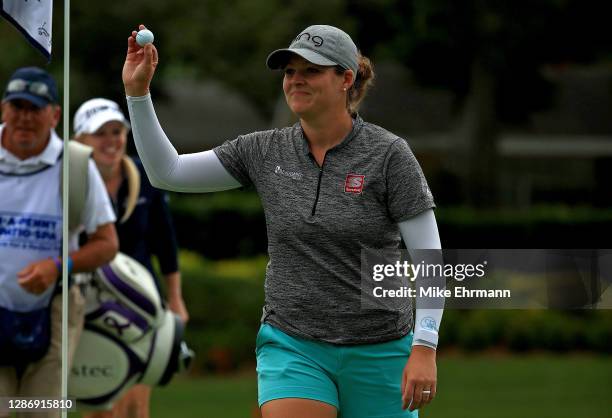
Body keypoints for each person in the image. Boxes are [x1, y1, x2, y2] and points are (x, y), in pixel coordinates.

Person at [122, 24, 444, 418]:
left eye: (311, 71)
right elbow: (168, 172)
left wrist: (425, 346)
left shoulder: (389, 154)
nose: (296, 80)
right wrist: (138, 95)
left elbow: (429, 259)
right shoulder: (263, 149)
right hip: (293, 343)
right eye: (290, 71)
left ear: (346, 79)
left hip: (381, 349)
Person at [0, 67, 118, 418]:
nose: (24, 117)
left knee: (43, 410)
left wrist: (57, 266)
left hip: (54, 309)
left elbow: (106, 243)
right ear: (3, 109)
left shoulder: (76, 164)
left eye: (34, 108)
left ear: (54, 116)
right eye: (17, 106)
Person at [72, 97, 188, 418]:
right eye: (101, 134)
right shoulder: (70, 180)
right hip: (91, 301)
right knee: (100, 398)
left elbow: (165, 242)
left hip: (141, 299)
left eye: (117, 132)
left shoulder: (143, 175)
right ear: (80, 140)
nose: (112, 141)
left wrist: (176, 299)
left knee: (137, 402)